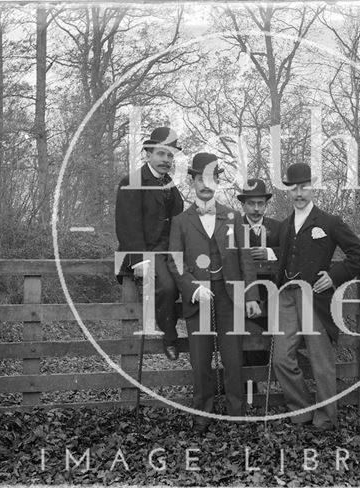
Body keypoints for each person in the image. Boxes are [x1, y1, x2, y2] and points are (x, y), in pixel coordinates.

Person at [167, 152, 261, 434]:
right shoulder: (181, 221)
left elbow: (245, 257)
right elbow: (174, 260)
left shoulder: (232, 216)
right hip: (198, 297)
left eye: (211, 178)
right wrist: (191, 289)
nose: (205, 184)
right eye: (200, 179)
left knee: (233, 358)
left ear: (217, 181)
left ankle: (236, 412)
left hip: (230, 296)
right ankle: (202, 414)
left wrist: (252, 296)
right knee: (200, 359)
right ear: (192, 182)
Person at [273, 162, 360, 431]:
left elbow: (358, 254)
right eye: (293, 188)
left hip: (315, 298)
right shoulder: (284, 225)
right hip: (286, 298)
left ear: (312, 187)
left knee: (321, 362)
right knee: (281, 358)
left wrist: (334, 276)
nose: (299, 193)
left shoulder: (329, 222)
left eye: (304, 187)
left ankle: (326, 418)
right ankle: (301, 412)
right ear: (288, 191)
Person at [115, 127, 183, 361]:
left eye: (170, 155)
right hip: (147, 253)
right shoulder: (132, 182)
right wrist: (139, 261)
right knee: (167, 287)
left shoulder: (171, 186)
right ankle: (170, 337)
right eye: (162, 154)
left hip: (170, 252)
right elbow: (127, 225)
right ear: (148, 154)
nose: (166, 160)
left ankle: (202, 339)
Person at [236, 178, 281, 370]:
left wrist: (269, 253)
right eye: (251, 204)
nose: (256, 209)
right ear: (243, 205)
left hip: (270, 298)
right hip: (239, 297)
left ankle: (259, 395)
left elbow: (291, 252)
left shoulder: (278, 227)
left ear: (266, 205)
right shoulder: (233, 226)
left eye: (260, 204)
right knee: (239, 348)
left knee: (262, 349)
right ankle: (246, 393)